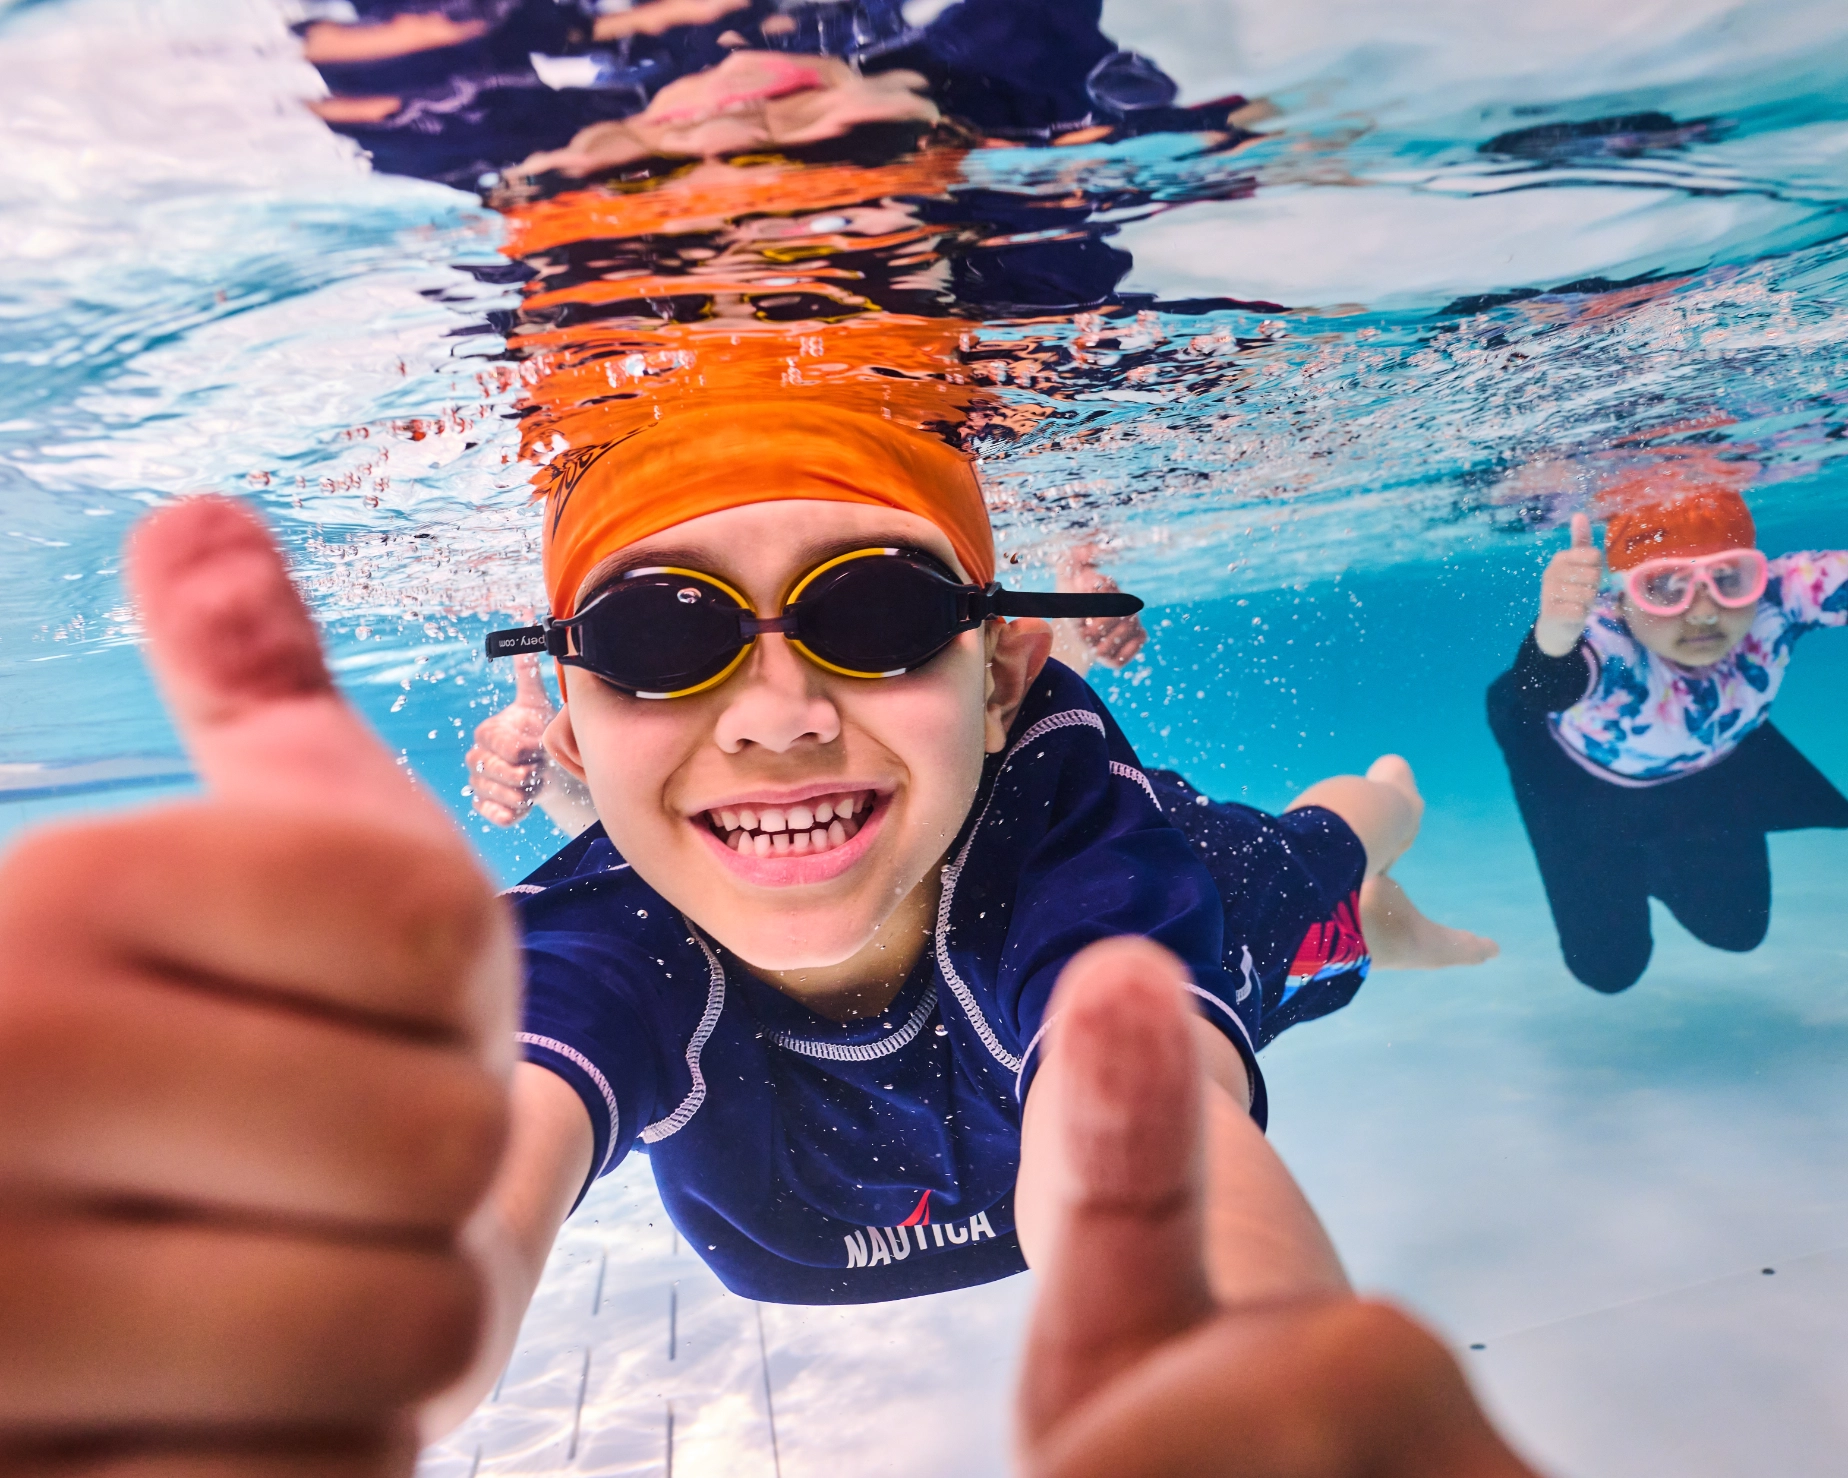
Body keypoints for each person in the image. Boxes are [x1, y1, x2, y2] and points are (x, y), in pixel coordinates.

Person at [0, 497, 1537, 1471]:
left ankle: (1380, 864)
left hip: (1167, 918)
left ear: (1002, 673)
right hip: (808, 1222)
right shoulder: (603, 933)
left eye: (879, 617)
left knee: (1339, 838)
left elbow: (1153, 1118)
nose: (778, 715)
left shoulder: (1085, 858)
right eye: (657, 638)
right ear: (576, 726)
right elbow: (487, 1144)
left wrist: (1251, 1326)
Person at [1488, 489, 1848, 993]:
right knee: (1609, 969)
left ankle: (1659, 851)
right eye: (1663, 587)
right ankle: (1625, 850)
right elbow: (1547, 687)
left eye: (1728, 578)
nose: (1703, 612)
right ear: (1622, 596)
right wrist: (1554, 633)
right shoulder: (1608, 636)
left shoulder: (1773, 596)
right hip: (1583, 788)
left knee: (1738, 932)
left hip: (1709, 769)